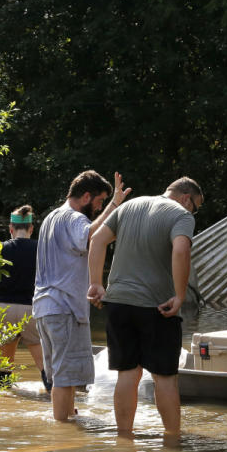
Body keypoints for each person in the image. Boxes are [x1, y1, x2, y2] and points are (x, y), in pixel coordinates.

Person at [86, 177, 202, 437]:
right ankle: (173, 441)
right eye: (196, 206)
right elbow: (181, 250)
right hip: (157, 306)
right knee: (165, 377)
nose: (193, 212)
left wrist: (96, 284)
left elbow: (96, 241)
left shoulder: (129, 206)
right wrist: (180, 296)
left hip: (118, 303)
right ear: (186, 198)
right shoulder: (181, 215)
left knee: (127, 374)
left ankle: (124, 439)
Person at [33, 170, 131, 421]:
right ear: (86, 196)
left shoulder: (51, 217)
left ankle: (67, 420)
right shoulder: (74, 218)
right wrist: (116, 205)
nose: (99, 208)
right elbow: (92, 236)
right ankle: (64, 437)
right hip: (63, 306)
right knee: (65, 378)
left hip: (45, 308)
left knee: (61, 376)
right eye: (99, 201)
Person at [0, 205, 48, 390]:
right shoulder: (42, 249)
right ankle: (57, 403)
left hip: (4, 309)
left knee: (4, 366)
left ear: (11, 229)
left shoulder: (0, 249)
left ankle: (5, 398)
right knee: (45, 366)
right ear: (31, 229)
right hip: (32, 310)